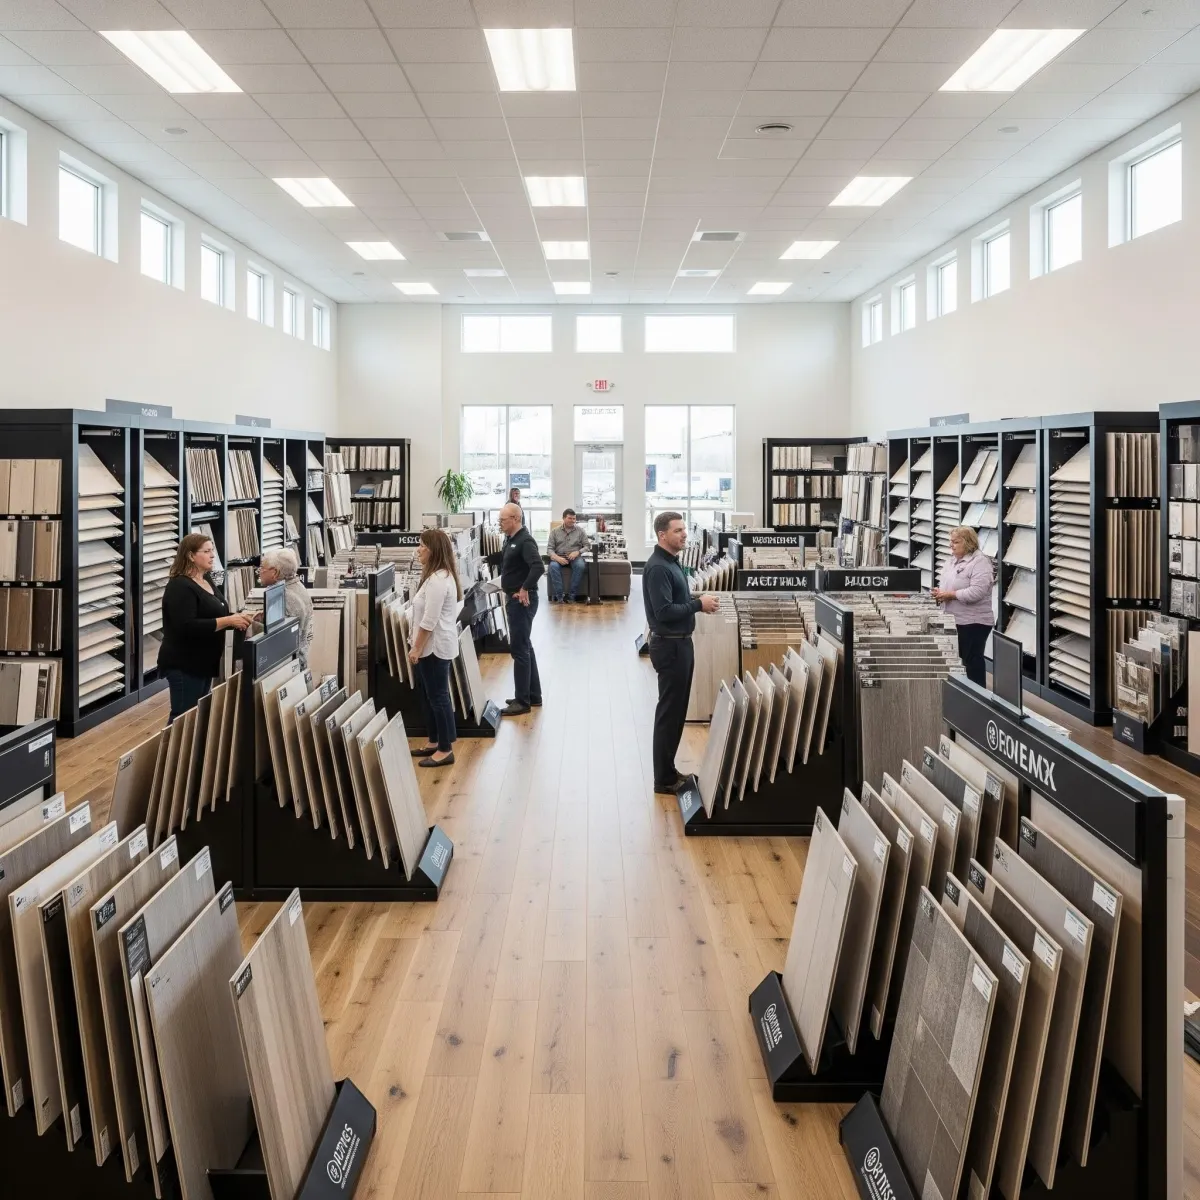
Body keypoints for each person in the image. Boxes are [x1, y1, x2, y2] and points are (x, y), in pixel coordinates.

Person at [643, 512, 720, 794]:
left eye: (684, 529)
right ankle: (663, 779)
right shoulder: (658, 568)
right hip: (670, 646)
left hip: (680, 644)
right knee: (669, 713)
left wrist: (698, 600)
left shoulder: (671, 563)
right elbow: (664, 612)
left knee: (676, 713)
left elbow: (676, 600)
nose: (684, 534)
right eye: (678, 530)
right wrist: (698, 605)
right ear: (662, 535)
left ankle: (668, 771)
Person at [158, 533, 253, 721]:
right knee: (183, 717)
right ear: (191, 556)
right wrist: (228, 621)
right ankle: (172, 751)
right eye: (207, 551)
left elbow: (218, 610)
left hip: (203, 661)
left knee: (198, 714)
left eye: (212, 551)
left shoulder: (206, 579)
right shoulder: (180, 586)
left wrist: (239, 616)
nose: (212, 556)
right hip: (184, 663)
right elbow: (186, 626)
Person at [408, 528, 462, 767]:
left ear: (434, 550)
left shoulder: (438, 581)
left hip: (434, 647)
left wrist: (416, 648)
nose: (418, 549)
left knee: (438, 697)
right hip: (435, 646)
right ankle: (434, 740)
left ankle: (444, 749)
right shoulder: (437, 577)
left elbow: (429, 620)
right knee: (432, 695)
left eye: (422, 546)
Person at [496, 501, 544, 716]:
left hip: (521, 601)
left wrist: (524, 588)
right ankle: (533, 695)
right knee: (526, 646)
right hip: (514, 597)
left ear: (515, 519)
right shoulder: (510, 539)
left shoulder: (525, 541)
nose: (500, 523)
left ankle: (522, 701)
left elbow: (538, 567)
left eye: (503, 520)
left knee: (519, 649)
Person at [932, 524, 995, 689]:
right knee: (959, 660)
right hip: (955, 619)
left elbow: (977, 592)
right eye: (950, 541)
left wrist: (950, 595)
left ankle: (978, 698)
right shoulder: (952, 561)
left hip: (974, 622)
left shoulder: (980, 562)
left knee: (972, 661)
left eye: (955, 542)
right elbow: (949, 585)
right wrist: (940, 593)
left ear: (968, 543)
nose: (950, 545)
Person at [257, 547, 313, 668]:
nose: (259, 571)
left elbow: (279, 639)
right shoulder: (297, 586)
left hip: (287, 666)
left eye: (262, 568)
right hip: (298, 660)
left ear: (275, 572)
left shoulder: (282, 596)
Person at [546, 508, 590, 603]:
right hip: (559, 556)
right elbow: (549, 549)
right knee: (553, 567)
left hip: (575, 557)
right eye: (570, 518)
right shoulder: (554, 532)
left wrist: (578, 552)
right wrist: (557, 558)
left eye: (574, 518)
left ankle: (571, 596)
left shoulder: (580, 531)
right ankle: (560, 596)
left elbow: (587, 545)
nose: (572, 521)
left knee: (580, 565)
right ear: (563, 518)